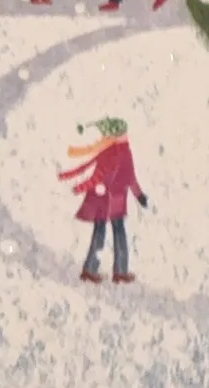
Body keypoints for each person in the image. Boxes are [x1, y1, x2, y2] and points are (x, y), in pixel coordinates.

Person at [59, 117, 149, 285]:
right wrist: (139, 195)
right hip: (112, 199)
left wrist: (78, 184)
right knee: (116, 232)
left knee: (101, 231)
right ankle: (118, 271)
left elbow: (94, 170)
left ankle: (92, 269)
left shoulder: (111, 150)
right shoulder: (121, 152)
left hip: (103, 199)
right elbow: (125, 177)